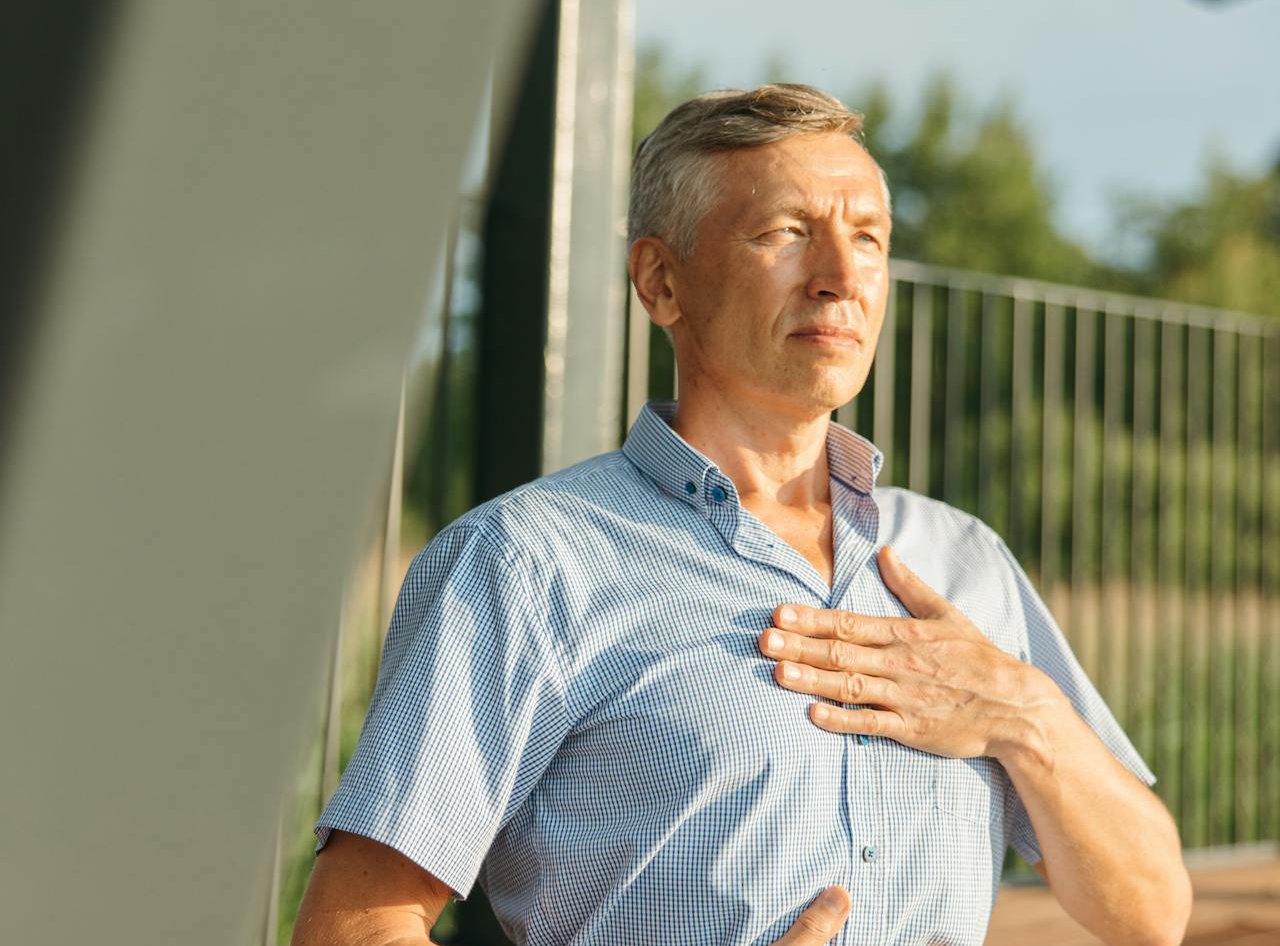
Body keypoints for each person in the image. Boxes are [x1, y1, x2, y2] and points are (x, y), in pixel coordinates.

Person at [292, 84, 1191, 946]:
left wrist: (1023, 715)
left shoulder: (963, 560)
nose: (842, 277)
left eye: (869, 237)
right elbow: (352, 925)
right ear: (661, 282)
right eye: (786, 233)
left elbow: (1153, 912)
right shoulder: (524, 564)